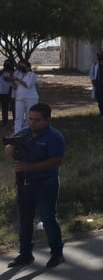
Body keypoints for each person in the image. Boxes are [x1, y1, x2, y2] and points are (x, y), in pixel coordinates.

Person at [4, 103, 65, 269]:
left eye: (37, 120)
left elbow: (56, 161)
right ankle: (25, 254)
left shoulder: (54, 137)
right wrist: (9, 149)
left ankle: (57, 253)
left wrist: (28, 167)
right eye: (30, 119)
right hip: (25, 185)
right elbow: (10, 148)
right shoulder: (24, 134)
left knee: (48, 219)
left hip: (46, 184)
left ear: (47, 120)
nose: (32, 123)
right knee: (24, 220)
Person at [12, 60, 38, 133]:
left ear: (28, 67)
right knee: (18, 116)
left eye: (23, 65)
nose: (21, 67)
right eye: (20, 65)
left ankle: (27, 131)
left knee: (29, 116)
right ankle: (17, 132)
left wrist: (17, 79)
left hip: (31, 98)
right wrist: (13, 81)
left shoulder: (32, 75)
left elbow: (27, 85)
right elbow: (15, 87)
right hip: (19, 98)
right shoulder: (18, 74)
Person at [1, 58, 14, 127]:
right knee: (4, 108)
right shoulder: (1, 72)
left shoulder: (14, 73)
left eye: (8, 63)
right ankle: (4, 122)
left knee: (13, 108)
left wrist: (10, 79)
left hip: (11, 92)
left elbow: (16, 82)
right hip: (3, 92)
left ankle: (15, 122)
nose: (6, 65)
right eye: (6, 63)